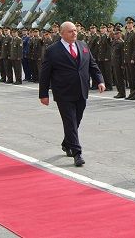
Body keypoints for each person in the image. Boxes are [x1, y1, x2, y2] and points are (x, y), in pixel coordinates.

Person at [39, 21, 106, 167]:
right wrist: (43, 94)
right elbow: (45, 73)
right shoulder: (52, 50)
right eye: (70, 31)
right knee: (70, 121)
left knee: (76, 120)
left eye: (75, 30)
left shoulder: (83, 45)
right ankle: (77, 153)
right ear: (62, 33)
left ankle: (66, 143)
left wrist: (100, 80)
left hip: (81, 90)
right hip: (63, 92)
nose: (74, 33)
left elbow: (92, 65)